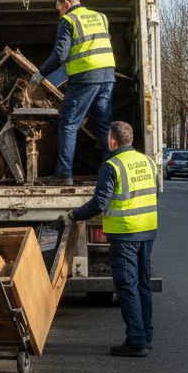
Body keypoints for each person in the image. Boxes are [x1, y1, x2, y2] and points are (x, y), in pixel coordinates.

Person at [59, 121, 157, 356]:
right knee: (143, 285)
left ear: (112, 141)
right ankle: (145, 335)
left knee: (127, 287)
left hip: (125, 235)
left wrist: (73, 215)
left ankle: (136, 342)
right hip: (147, 231)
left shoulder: (112, 166)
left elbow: (100, 203)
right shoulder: (148, 162)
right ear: (131, 139)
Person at [30, 0, 115, 185]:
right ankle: (111, 174)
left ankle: (63, 175)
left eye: (58, 8)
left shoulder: (68, 20)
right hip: (108, 76)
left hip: (85, 77)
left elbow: (60, 55)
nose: (59, 12)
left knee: (68, 124)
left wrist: (41, 73)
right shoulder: (100, 17)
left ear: (66, 4)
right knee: (103, 127)